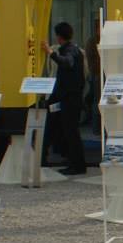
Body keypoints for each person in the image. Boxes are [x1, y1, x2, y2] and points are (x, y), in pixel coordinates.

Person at [41, 21, 86, 175]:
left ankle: (77, 165)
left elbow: (67, 63)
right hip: (70, 97)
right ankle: (74, 162)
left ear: (59, 37)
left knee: (71, 132)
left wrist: (50, 52)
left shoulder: (70, 51)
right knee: (68, 131)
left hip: (70, 99)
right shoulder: (75, 50)